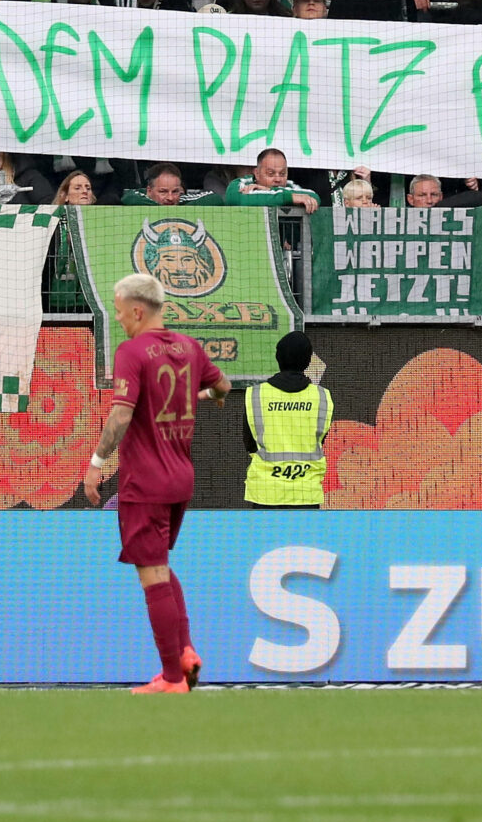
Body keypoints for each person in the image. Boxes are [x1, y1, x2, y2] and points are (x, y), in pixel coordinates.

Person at [81, 270, 229, 692]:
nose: (119, 318)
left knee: (151, 573)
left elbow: (122, 414)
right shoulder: (189, 347)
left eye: (119, 311)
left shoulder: (132, 351)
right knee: (160, 566)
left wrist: (96, 463)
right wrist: (206, 397)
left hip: (146, 481)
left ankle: (171, 678)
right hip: (181, 477)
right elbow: (223, 386)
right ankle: (185, 653)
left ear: (136, 309)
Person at [241, 330, 333, 508]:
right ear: (307, 361)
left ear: (278, 358)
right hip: (306, 495)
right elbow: (321, 439)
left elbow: (250, 443)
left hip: (264, 494)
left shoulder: (256, 395)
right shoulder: (322, 396)